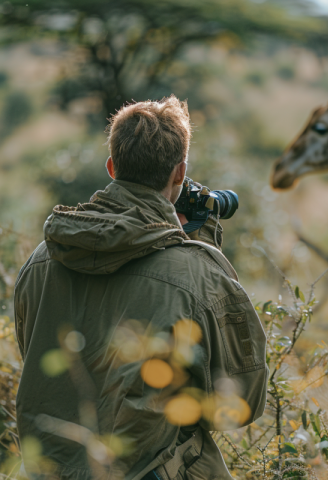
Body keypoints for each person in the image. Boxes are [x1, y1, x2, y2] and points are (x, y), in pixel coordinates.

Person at [14, 96, 268, 480]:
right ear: (179, 173)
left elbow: (34, 350)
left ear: (112, 166)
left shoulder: (41, 259)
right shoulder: (195, 271)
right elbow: (240, 405)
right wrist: (202, 249)